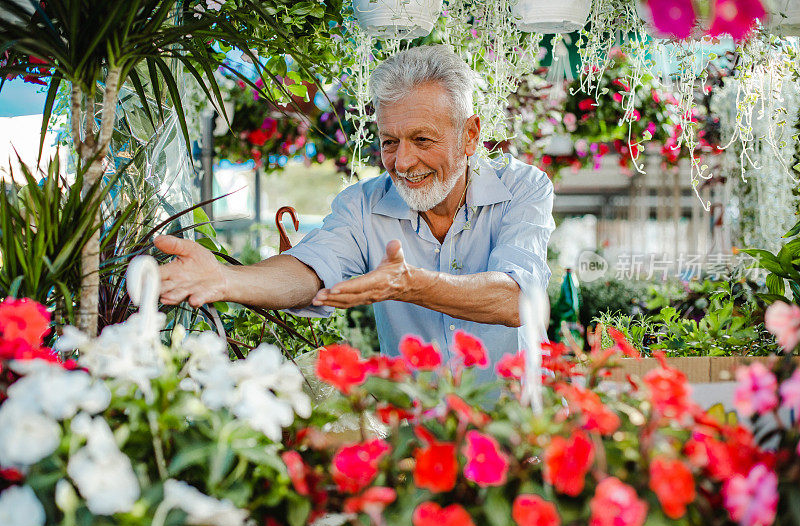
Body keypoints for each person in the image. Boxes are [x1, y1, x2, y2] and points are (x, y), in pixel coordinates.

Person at [155, 44, 555, 366]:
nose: (402, 162)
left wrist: (410, 285)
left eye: (422, 140)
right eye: (389, 141)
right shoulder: (364, 205)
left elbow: (519, 300)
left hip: (516, 438)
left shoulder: (523, 188)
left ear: (469, 135)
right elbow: (310, 268)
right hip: (417, 441)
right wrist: (226, 280)